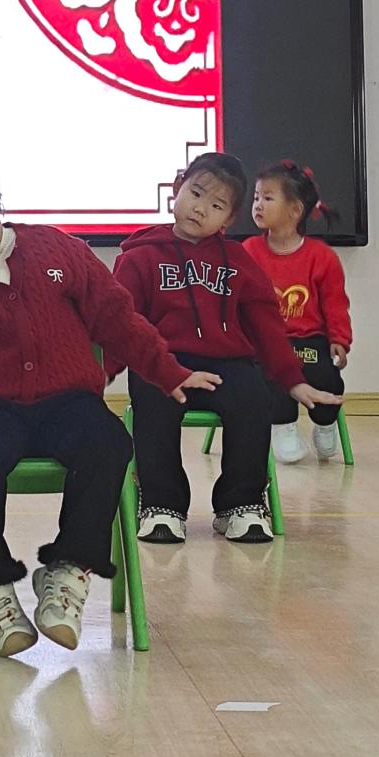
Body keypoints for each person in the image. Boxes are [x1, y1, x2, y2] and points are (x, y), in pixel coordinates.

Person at [0, 154, 208, 657]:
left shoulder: (57, 248)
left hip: (67, 401)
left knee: (108, 443)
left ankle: (68, 570)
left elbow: (116, 317)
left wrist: (166, 369)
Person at [113, 151, 342, 544]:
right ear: (177, 188)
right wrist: (97, 377)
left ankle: (241, 504)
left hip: (227, 364)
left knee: (253, 396)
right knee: (152, 395)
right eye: (196, 194)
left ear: (229, 219)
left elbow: (266, 326)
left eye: (216, 205)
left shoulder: (238, 262)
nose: (201, 209)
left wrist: (293, 380)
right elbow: (121, 324)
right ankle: (162, 505)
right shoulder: (139, 257)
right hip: (165, 362)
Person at [244, 160, 351, 464]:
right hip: (265, 342)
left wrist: (339, 339)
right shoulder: (249, 251)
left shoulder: (322, 257)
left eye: (268, 198)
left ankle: (325, 425)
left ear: (294, 210)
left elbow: (335, 303)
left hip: (309, 340)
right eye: (256, 197)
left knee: (326, 377)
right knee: (270, 377)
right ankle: (284, 429)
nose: (258, 204)